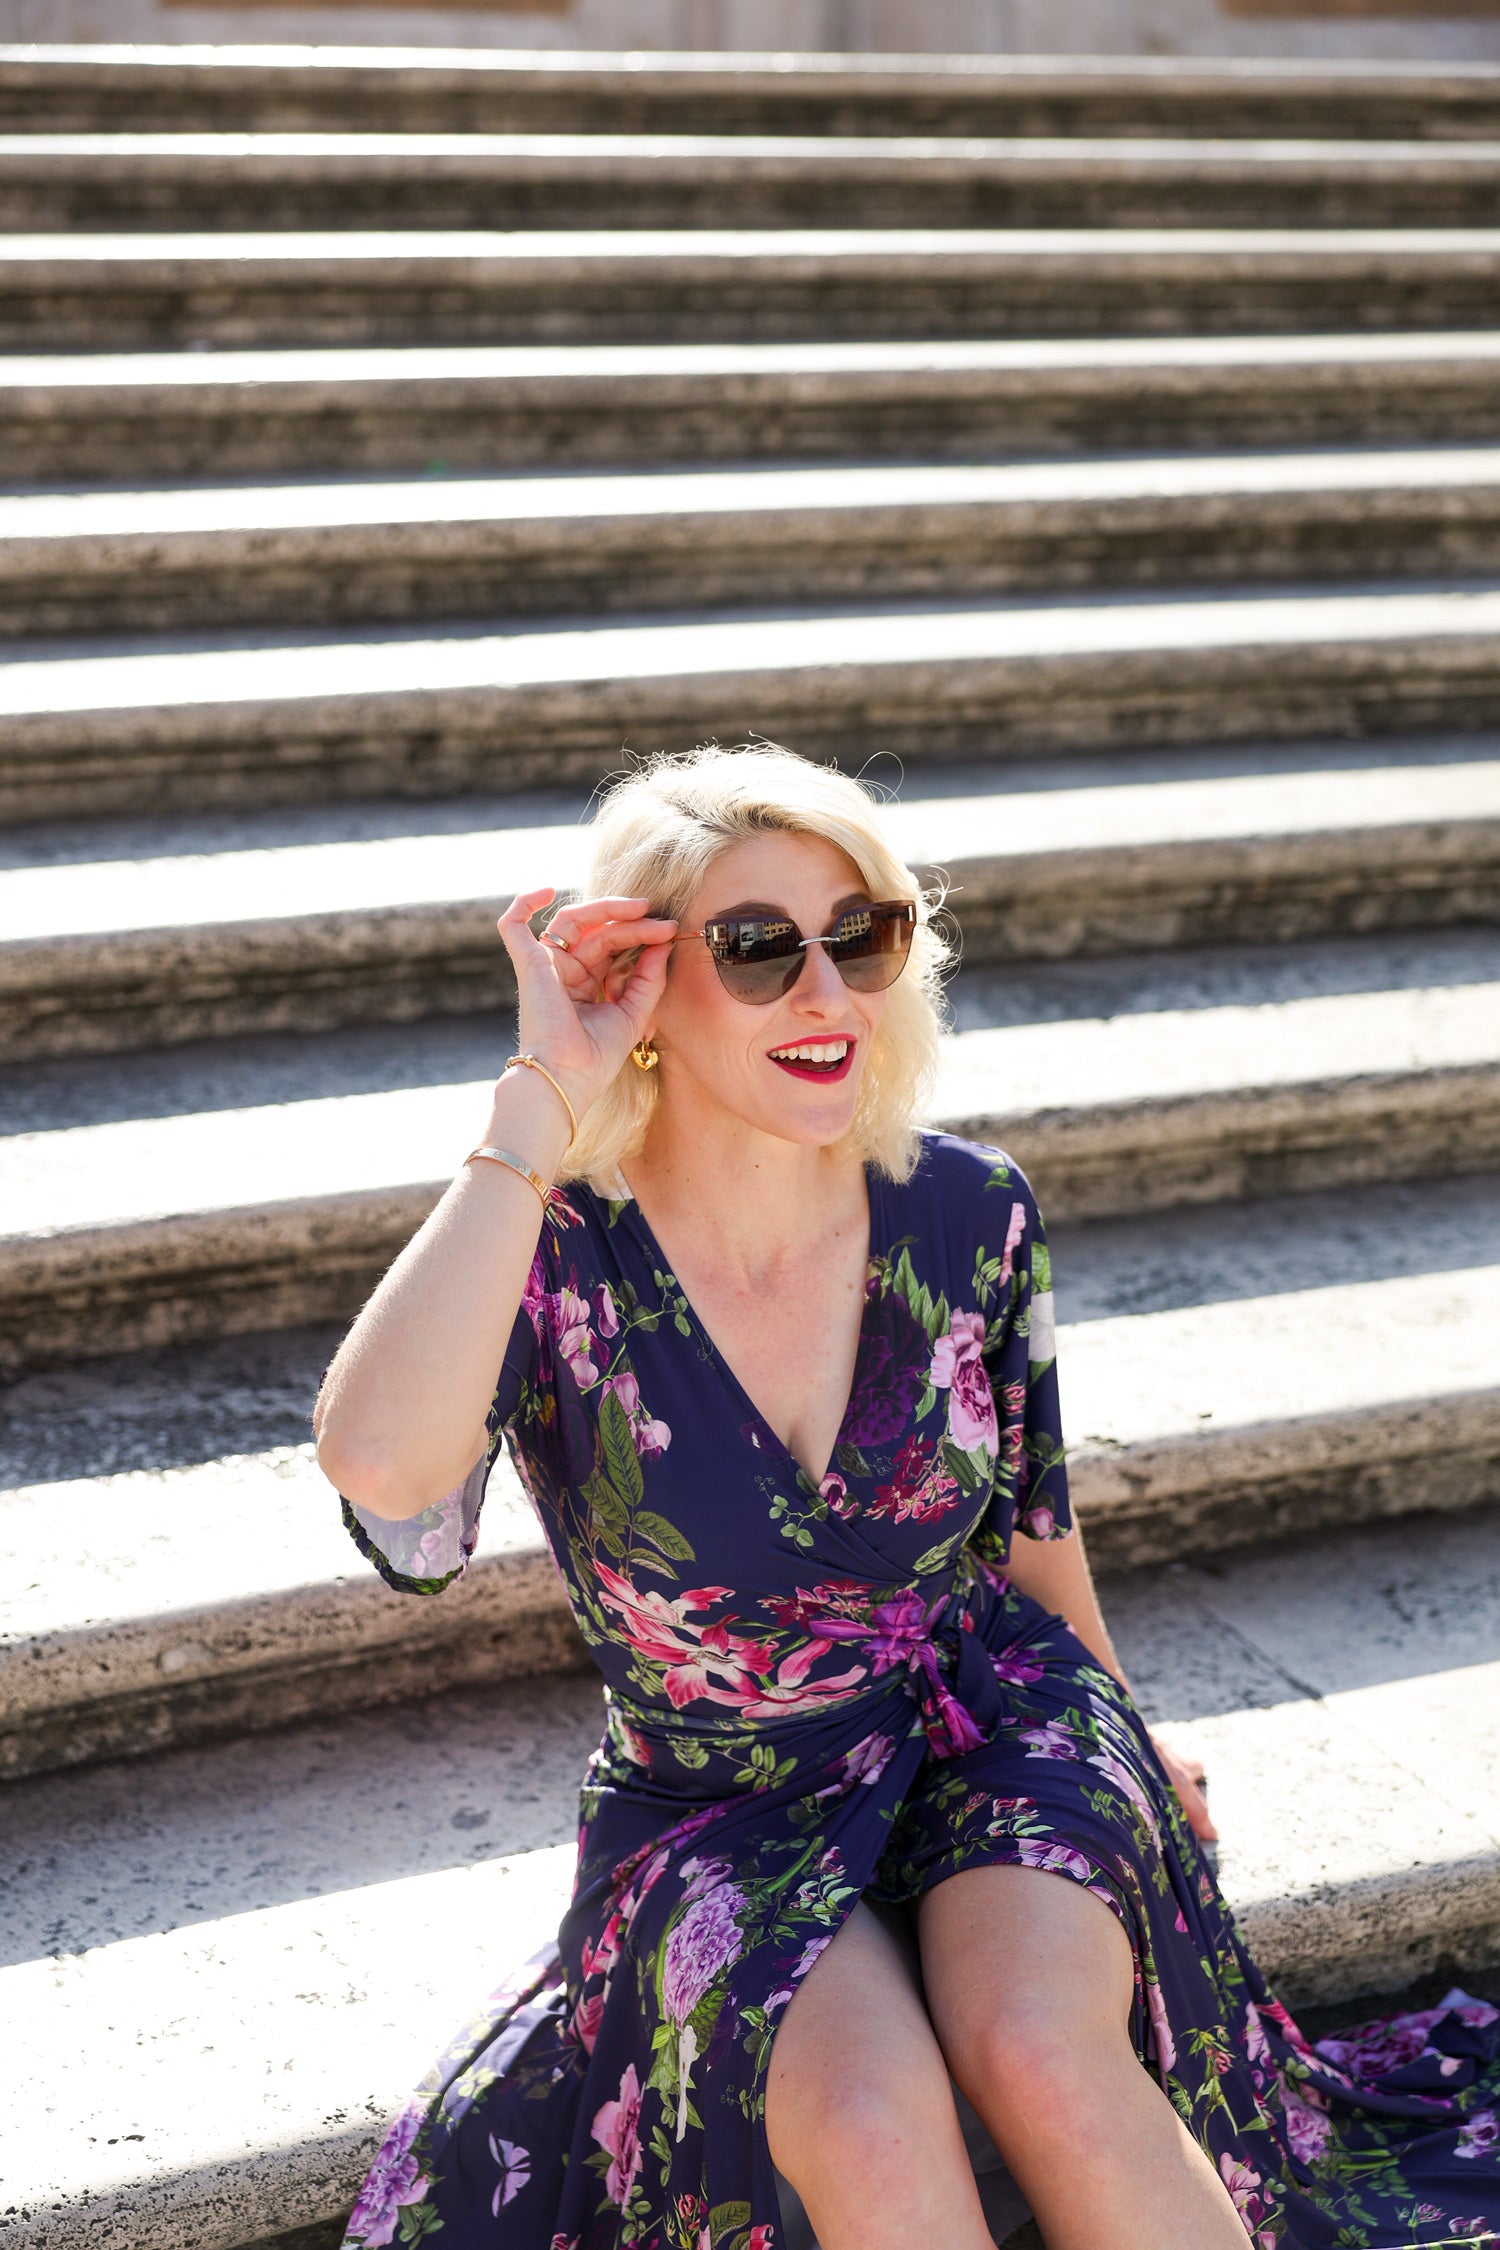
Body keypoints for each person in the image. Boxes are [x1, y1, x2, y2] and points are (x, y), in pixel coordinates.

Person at [316, 743, 1500, 2250]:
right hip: (718, 1800)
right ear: (645, 987)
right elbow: (379, 1465)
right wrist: (542, 1097)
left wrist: (1125, 1726)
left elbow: (1037, 1533)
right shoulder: (557, 1260)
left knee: (1042, 2049)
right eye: (756, 949)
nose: (827, 993)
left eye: (860, 936)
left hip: (981, 1705)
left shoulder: (968, 1209)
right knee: (875, 2133)